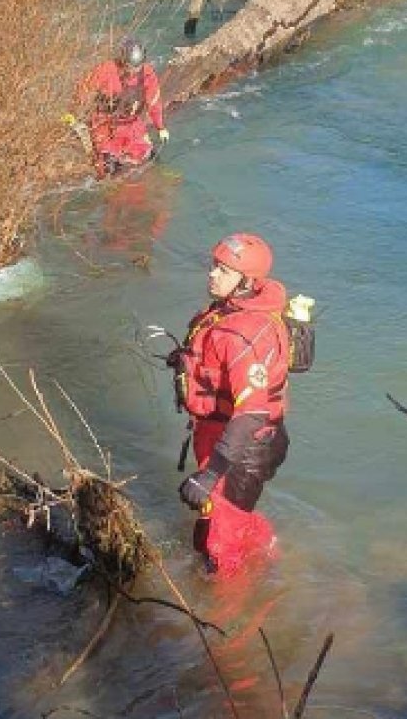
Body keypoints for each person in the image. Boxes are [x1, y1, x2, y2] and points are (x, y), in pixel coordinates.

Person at [172, 233, 291, 576]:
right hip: (219, 434)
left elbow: (252, 413)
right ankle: (264, 546)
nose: (212, 274)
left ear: (247, 282)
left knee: (220, 552)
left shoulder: (245, 335)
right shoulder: (227, 311)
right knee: (214, 524)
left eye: (223, 270)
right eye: (214, 266)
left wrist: (209, 475)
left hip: (243, 447)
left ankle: (229, 617)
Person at [75, 36, 168, 178]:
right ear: (123, 61)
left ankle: (161, 177)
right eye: (130, 67)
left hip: (132, 123)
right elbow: (84, 89)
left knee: (150, 155)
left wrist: (160, 127)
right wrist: (77, 113)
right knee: (109, 165)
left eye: (137, 67)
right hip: (106, 124)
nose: (134, 71)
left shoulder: (147, 74)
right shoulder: (106, 70)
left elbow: (154, 101)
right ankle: (113, 191)